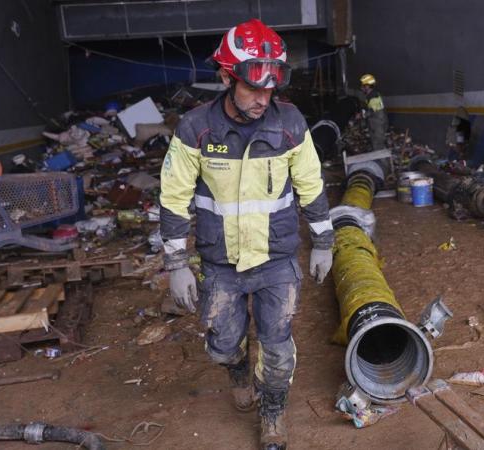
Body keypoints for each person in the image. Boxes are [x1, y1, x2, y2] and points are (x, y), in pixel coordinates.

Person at [159, 18, 334, 450]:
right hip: (221, 263)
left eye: (270, 89)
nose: (263, 99)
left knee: (277, 348)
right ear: (226, 77)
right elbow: (173, 197)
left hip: (276, 259)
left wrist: (324, 241)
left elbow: (311, 184)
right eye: (254, 88)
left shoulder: (290, 123)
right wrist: (177, 264)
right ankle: (238, 372)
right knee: (223, 343)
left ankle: (272, 413)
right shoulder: (196, 129)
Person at [359, 73, 388, 150]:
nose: (361, 88)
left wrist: (362, 116)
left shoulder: (374, 97)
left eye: (363, 86)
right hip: (375, 126)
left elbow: (372, 111)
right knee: (376, 147)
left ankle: (383, 162)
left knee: (379, 149)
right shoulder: (370, 96)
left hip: (378, 127)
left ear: (367, 86)